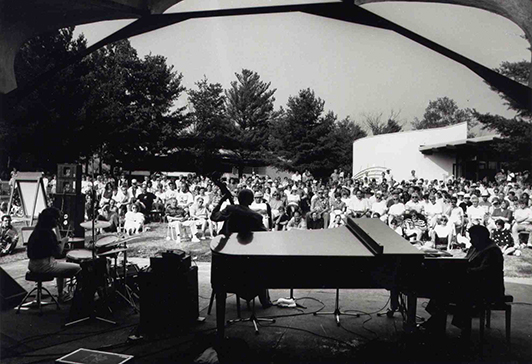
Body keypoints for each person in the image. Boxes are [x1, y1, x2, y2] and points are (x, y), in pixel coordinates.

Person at [422, 225, 505, 339]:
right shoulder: (476, 247)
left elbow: (485, 272)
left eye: (472, 237)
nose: (470, 240)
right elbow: (467, 262)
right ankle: (437, 322)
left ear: (480, 237)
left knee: (451, 291)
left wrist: (465, 271)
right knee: (443, 288)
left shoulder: (492, 251)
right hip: (474, 284)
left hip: (488, 288)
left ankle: (449, 326)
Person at [210, 189, 271, 308]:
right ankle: (264, 300)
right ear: (252, 200)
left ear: (239, 199)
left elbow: (214, 216)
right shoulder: (256, 216)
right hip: (248, 254)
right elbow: (264, 235)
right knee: (260, 268)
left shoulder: (230, 209)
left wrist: (222, 200)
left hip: (227, 254)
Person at [27, 207, 81, 303]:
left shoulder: (37, 230)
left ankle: (61, 295)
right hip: (44, 265)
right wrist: (64, 241)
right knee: (79, 268)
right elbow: (58, 252)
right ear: (51, 219)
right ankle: (79, 297)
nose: (57, 221)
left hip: (32, 265)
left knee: (61, 266)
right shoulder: (48, 233)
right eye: (56, 219)